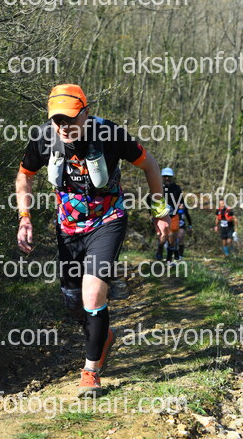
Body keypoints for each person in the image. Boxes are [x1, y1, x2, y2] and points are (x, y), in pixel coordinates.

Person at [16, 84, 171, 397]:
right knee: (73, 301)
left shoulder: (110, 134)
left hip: (107, 220)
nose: (64, 126)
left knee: (92, 295)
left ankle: (91, 371)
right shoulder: (43, 137)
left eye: (71, 119)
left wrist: (160, 211)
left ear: (86, 113)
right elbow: (24, 175)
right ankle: (104, 337)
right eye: (58, 120)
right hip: (68, 228)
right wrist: (25, 217)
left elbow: (150, 165)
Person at [155, 168, 189, 264]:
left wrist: (181, 205)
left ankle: (169, 259)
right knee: (163, 237)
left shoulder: (176, 188)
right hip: (161, 216)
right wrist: (151, 212)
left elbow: (181, 200)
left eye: (169, 177)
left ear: (172, 177)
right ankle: (160, 248)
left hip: (173, 215)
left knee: (172, 238)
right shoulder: (157, 186)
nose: (167, 178)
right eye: (165, 176)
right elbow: (149, 200)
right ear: (162, 177)